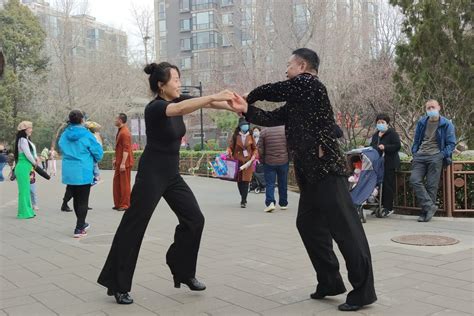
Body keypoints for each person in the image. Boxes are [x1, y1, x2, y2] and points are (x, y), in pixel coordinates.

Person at [231, 48, 377, 312]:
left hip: (327, 170)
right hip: (309, 174)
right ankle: (330, 282)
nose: (286, 70)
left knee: (345, 230)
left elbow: (275, 89)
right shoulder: (300, 99)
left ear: (302, 65)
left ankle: (364, 291)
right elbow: (271, 118)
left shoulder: (310, 85)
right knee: (307, 225)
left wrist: (250, 95)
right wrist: (246, 110)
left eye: (288, 65)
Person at [97, 62, 237, 305]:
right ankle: (117, 283)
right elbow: (183, 107)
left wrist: (235, 105)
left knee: (194, 219)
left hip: (171, 175)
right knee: (134, 225)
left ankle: (181, 269)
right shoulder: (155, 107)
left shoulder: (177, 99)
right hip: (152, 173)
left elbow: (206, 102)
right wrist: (214, 97)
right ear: (161, 85)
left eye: (180, 79)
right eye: (175, 80)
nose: (179, 84)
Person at [59, 110, 103, 238]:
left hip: (69, 171)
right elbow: (98, 153)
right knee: (83, 200)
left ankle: (82, 223)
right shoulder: (87, 135)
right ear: (82, 120)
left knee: (76, 199)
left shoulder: (64, 134)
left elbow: (60, 146)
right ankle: (79, 228)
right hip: (83, 170)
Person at [410, 100, 456, 222]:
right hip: (420, 155)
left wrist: (441, 155)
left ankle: (425, 213)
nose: (431, 109)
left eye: (433, 107)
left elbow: (451, 144)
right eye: (428, 108)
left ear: (439, 107)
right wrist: (415, 152)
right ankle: (430, 207)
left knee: (431, 185)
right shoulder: (422, 122)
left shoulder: (446, 124)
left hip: (435, 156)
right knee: (414, 180)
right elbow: (416, 140)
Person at [369, 113, 401, 217]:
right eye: (378, 122)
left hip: (389, 163)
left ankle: (388, 207)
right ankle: (379, 205)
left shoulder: (392, 134)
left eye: (383, 122)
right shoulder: (375, 135)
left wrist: (385, 147)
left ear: (387, 123)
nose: (380, 124)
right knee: (378, 185)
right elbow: (372, 146)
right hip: (378, 164)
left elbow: (397, 146)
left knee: (387, 185)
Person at [258, 126, 289, 213]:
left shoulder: (264, 131)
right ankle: (283, 203)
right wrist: (288, 157)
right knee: (283, 182)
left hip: (269, 161)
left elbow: (260, 148)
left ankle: (270, 203)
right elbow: (290, 145)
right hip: (283, 160)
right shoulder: (285, 130)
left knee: (270, 183)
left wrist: (262, 159)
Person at [227, 118, 257, 208]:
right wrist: (228, 151)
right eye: (243, 125)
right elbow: (230, 147)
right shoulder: (236, 136)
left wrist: (254, 155)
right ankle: (242, 195)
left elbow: (255, 148)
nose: (245, 126)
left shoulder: (251, 136)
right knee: (240, 181)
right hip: (238, 161)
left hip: (248, 161)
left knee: (246, 181)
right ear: (240, 127)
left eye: (246, 125)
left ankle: (243, 200)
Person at [14, 121, 39, 219]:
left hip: (25, 167)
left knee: (26, 191)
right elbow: (28, 154)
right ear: (25, 129)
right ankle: (24, 213)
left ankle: (28, 211)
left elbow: (31, 153)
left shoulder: (26, 140)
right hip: (23, 167)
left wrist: (35, 159)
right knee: (24, 191)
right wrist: (34, 162)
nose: (31, 130)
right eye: (30, 128)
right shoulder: (23, 140)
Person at [112, 113, 134, 212]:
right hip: (120, 161)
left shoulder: (125, 133)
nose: (115, 120)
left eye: (116, 118)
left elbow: (126, 149)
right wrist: (116, 159)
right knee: (117, 182)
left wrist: (123, 163)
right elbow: (119, 148)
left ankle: (125, 204)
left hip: (124, 163)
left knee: (124, 184)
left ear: (120, 120)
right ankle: (118, 203)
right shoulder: (120, 131)